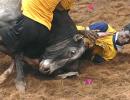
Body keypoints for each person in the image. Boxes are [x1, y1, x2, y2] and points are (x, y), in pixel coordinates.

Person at [0, 0, 75, 55]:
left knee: (7, 41)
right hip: (45, 30)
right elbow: (62, 8)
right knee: (33, 57)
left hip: (28, 24)